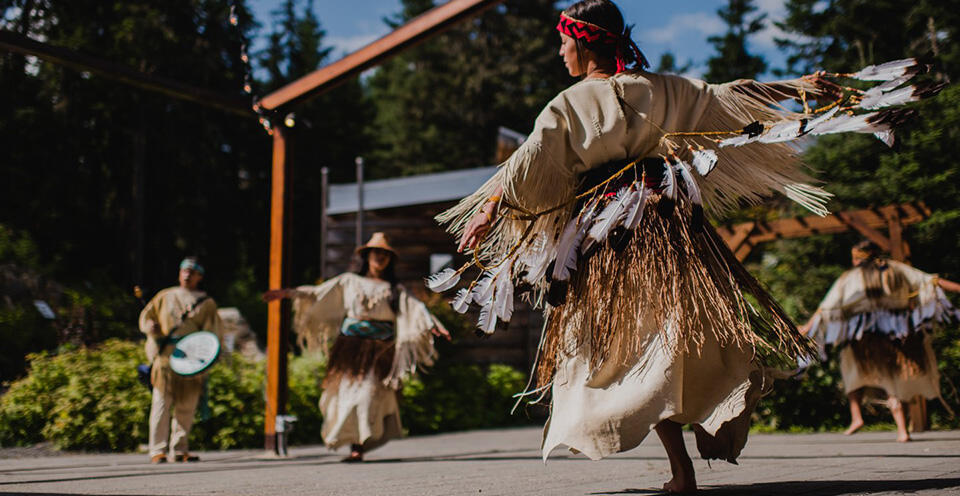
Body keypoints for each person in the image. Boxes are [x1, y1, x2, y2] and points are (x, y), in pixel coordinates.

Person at [436, 0, 847, 492]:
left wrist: (487, 211)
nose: (559, 51)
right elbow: (730, 98)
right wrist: (796, 87)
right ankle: (697, 441)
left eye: (563, 41)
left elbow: (527, 166)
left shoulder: (568, 105)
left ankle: (685, 463)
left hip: (618, 237)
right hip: (669, 228)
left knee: (639, 344)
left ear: (584, 42)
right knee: (679, 333)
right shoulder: (665, 89)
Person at [263, 232, 450, 462]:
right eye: (376, 253)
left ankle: (359, 445)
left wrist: (431, 325)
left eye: (385, 254)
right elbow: (318, 293)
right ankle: (355, 443)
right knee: (346, 395)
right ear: (367, 256)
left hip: (379, 351)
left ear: (390, 259)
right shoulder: (348, 281)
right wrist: (288, 293)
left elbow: (416, 310)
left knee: (367, 396)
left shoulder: (394, 289)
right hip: (349, 350)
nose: (380, 257)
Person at [800, 240, 959, 442]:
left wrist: (807, 327)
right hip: (896, 331)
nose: (853, 261)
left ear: (861, 257)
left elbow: (826, 307)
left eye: (855, 257)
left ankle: (870, 421)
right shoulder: (894, 269)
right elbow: (930, 281)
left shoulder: (850, 277)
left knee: (865, 374)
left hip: (867, 334)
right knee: (891, 377)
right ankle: (898, 429)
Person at [139, 257, 223, 464]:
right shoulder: (164, 296)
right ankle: (157, 450)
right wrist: (150, 326)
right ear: (179, 273)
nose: (187, 275)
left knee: (187, 407)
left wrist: (207, 360)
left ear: (199, 277)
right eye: (184, 270)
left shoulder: (206, 302)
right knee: (160, 404)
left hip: (192, 360)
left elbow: (213, 334)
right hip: (166, 358)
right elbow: (146, 316)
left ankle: (179, 448)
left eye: (192, 272)